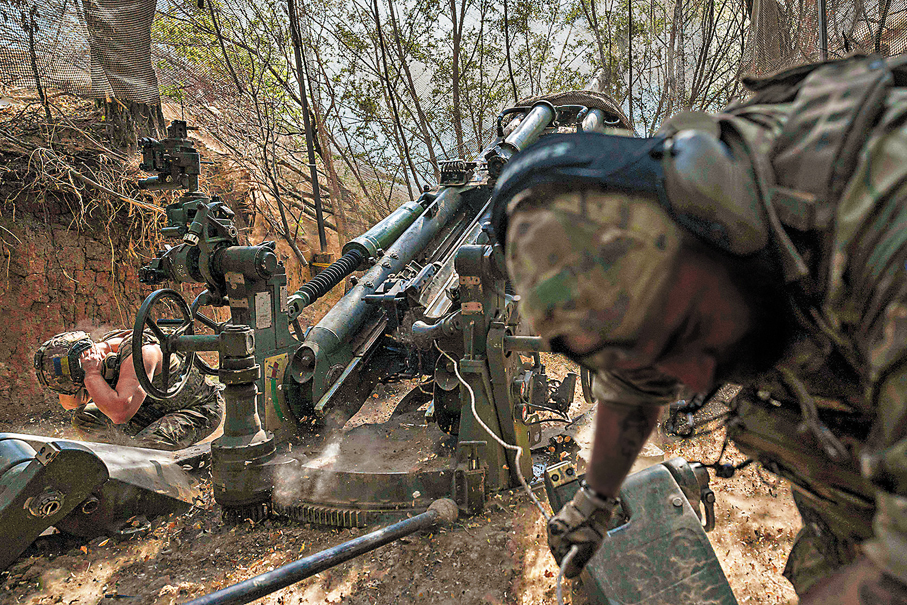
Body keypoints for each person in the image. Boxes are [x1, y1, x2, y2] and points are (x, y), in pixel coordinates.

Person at [491, 54, 907, 603]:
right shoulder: (694, 238)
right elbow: (638, 362)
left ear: (719, 221)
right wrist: (595, 501)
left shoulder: (885, 216)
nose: (687, 377)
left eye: (688, 330)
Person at [34, 329, 223, 450]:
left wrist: (91, 374)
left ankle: (165, 479)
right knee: (85, 417)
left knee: (146, 447)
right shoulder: (96, 358)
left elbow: (120, 413)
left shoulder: (141, 353)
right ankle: (119, 460)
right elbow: (71, 404)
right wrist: (84, 378)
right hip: (154, 410)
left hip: (198, 408)